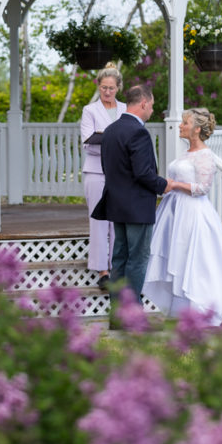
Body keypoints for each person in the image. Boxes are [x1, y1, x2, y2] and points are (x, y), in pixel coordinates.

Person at [142, 107, 222, 325]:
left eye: (185, 123)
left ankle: (203, 308)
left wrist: (174, 184)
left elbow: (203, 187)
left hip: (192, 212)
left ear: (197, 129)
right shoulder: (186, 153)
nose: (180, 126)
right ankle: (181, 311)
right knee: (177, 257)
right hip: (175, 211)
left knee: (195, 260)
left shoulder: (205, 155)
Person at [92, 84, 170, 304]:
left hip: (116, 204)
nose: (152, 111)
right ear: (143, 103)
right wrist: (165, 185)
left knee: (119, 260)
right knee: (137, 260)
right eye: (152, 106)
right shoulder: (138, 132)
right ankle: (132, 315)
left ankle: (118, 315)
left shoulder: (111, 130)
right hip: (137, 207)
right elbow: (144, 174)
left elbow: (108, 168)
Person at [80, 63, 126, 290]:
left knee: (117, 221)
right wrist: (112, 143)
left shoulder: (125, 109)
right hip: (96, 171)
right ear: (98, 86)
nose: (107, 92)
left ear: (118, 88)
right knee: (98, 221)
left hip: (119, 173)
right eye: (103, 87)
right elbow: (88, 144)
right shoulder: (89, 111)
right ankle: (102, 271)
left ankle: (117, 267)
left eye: (111, 88)